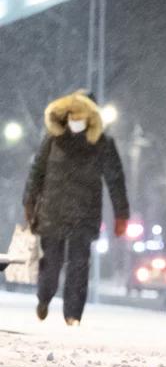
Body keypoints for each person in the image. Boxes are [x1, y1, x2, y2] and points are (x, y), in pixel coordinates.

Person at [23, 90, 129, 325]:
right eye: (73, 112)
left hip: (85, 213)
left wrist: (121, 214)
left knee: (79, 266)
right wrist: (29, 201)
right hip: (53, 211)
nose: (76, 117)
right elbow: (37, 171)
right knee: (51, 264)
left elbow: (115, 179)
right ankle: (44, 297)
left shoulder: (103, 143)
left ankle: (73, 314)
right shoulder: (53, 138)